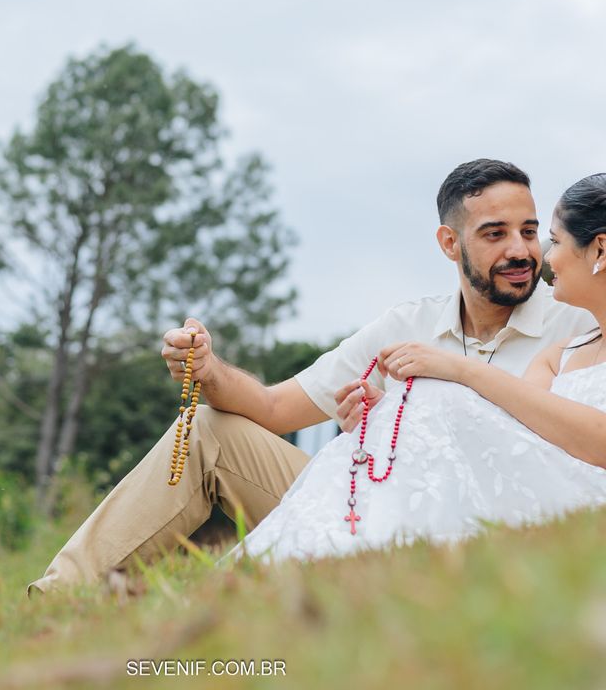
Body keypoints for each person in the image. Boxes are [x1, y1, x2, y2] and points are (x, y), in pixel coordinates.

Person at [28, 159, 594, 594]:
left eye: (529, 232)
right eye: (495, 234)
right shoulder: (406, 325)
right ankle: (57, 596)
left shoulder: (579, 320)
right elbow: (274, 409)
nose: (521, 251)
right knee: (207, 428)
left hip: (497, 526)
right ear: (450, 244)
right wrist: (209, 370)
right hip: (366, 504)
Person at [225, 173, 606, 563]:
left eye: (537, 235)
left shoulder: (570, 318)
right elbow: (517, 438)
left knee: (433, 397)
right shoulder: (560, 353)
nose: (535, 254)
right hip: (474, 493)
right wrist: (393, 418)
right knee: (214, 432)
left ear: (600, 250)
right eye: (495, 234)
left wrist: (455, 371)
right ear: (450, 243)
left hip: (556, 510)